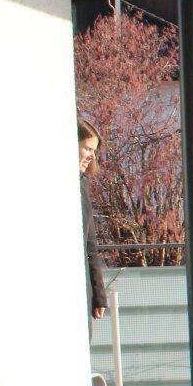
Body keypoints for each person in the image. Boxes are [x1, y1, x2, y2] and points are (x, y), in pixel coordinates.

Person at [79, 121, 107, 322]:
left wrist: (98, 296)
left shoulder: (82, 185)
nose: (92, 156)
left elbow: (90, 245)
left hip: (83, 291)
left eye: (93, 150)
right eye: (87, 148)